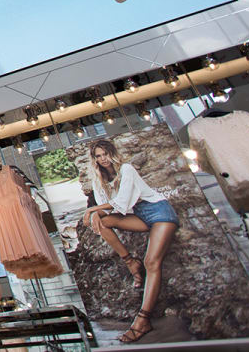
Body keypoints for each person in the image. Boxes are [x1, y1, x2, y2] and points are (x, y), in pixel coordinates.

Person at [81, 138, 180, 344]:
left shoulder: (126, 169)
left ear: (112, 153)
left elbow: (122, 202)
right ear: (95, 160)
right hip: (139, 216)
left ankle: (143, 320)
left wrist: (91, 209)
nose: (103, 159)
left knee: (151, 263)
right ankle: (130, 262)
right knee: (101, 222)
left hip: (159, 212)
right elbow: (108, 209)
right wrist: (95, 213)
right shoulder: (99, 179)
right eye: (98, 156)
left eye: (106, 154)